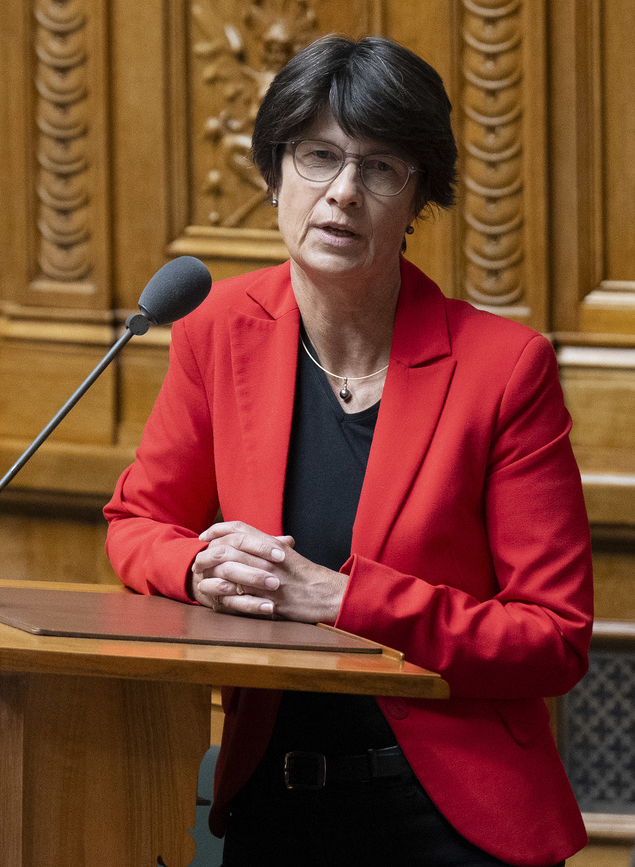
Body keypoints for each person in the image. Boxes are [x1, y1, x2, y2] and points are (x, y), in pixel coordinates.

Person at [104, 35, 592, 867]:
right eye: (317, 157)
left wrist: (342, 599)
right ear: (273, 174)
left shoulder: (504, 369)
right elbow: (137, 521)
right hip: (275, 800)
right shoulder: (217, 328)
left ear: (418, 198)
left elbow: (552, 636)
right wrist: (193, 570)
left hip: (448, 813)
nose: (341, 194)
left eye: (379, 168)